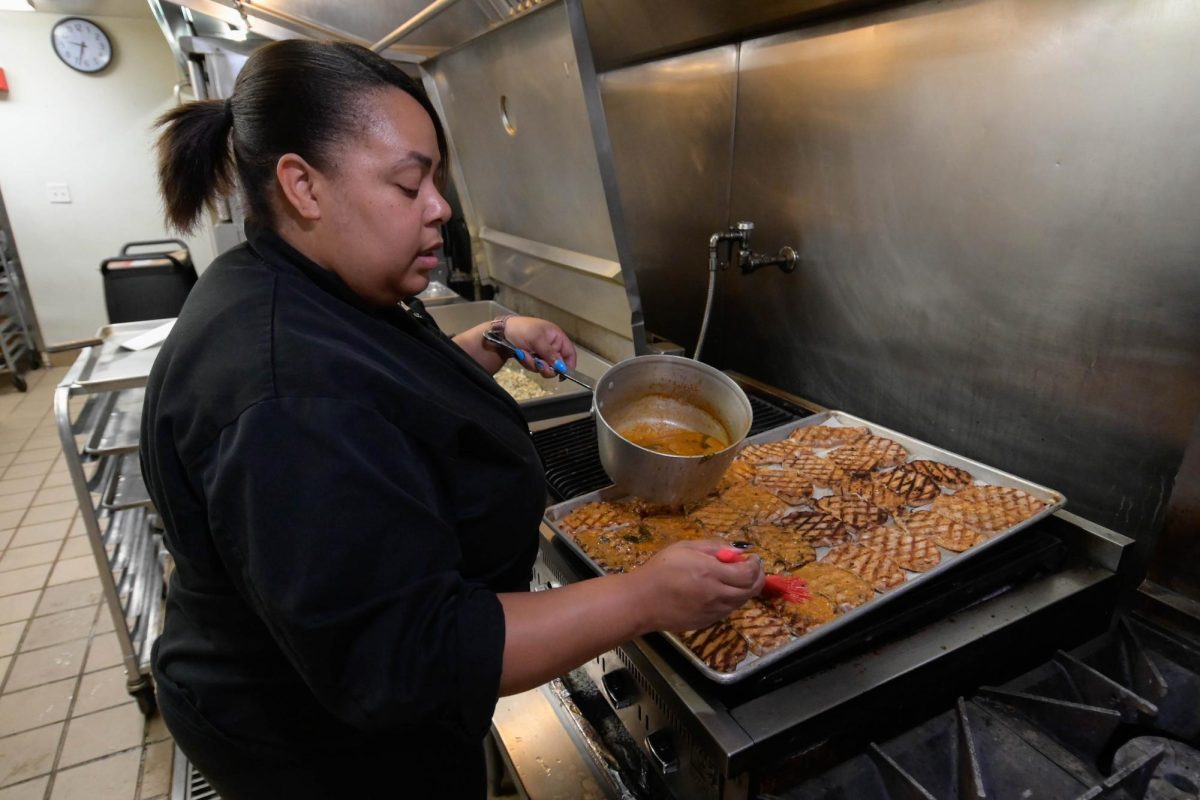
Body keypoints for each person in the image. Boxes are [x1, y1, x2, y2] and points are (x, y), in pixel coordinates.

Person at [143, 39, 764, 799]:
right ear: (302, 185)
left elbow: (380, 398)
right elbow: (412, 657)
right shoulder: (288, 399)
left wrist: (488, 342)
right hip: (324, 759)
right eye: (410, 185)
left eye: (436, 178)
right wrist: (645, 597)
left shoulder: (297, 285)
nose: (439, 206)